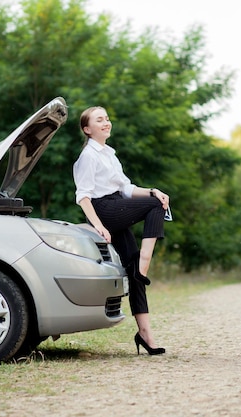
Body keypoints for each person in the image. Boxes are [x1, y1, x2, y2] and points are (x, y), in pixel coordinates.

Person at [73, 105, 169, 355]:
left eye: (107, 118)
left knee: (132, 266)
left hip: (117, 202)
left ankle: (145, 335)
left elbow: (126, 188)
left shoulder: (109, 154)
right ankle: (144, 265)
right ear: (87, 129)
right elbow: (83, 197)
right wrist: (99, 226)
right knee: (154, 206)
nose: (106, 122)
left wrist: (151, 190)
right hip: (104, 209)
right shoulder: (88, 157)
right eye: (99, 120)